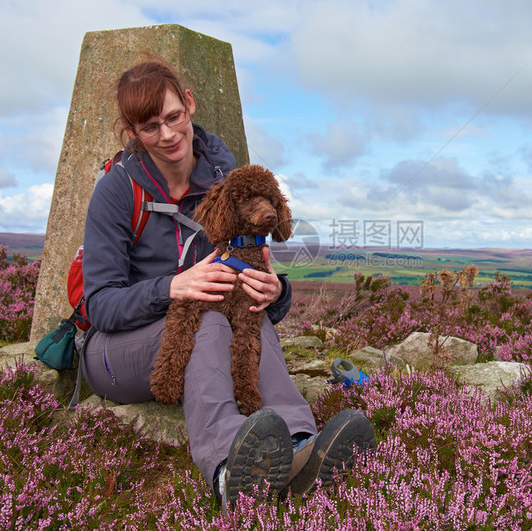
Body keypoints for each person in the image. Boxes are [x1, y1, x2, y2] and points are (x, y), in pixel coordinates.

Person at [80, 57, 375, 509]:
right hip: (113, 352)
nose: (167, 135)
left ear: (190, 104)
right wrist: (173, 287)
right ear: (133, 132)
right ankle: (225, 470)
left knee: (251, 317)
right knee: (212, 324)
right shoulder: (117, 190)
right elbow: (97, 305)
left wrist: (276, 293)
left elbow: (245, 276)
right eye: (150, 127)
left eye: (174, 117)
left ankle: (301, 445)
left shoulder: (226, 179)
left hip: (201, 330)